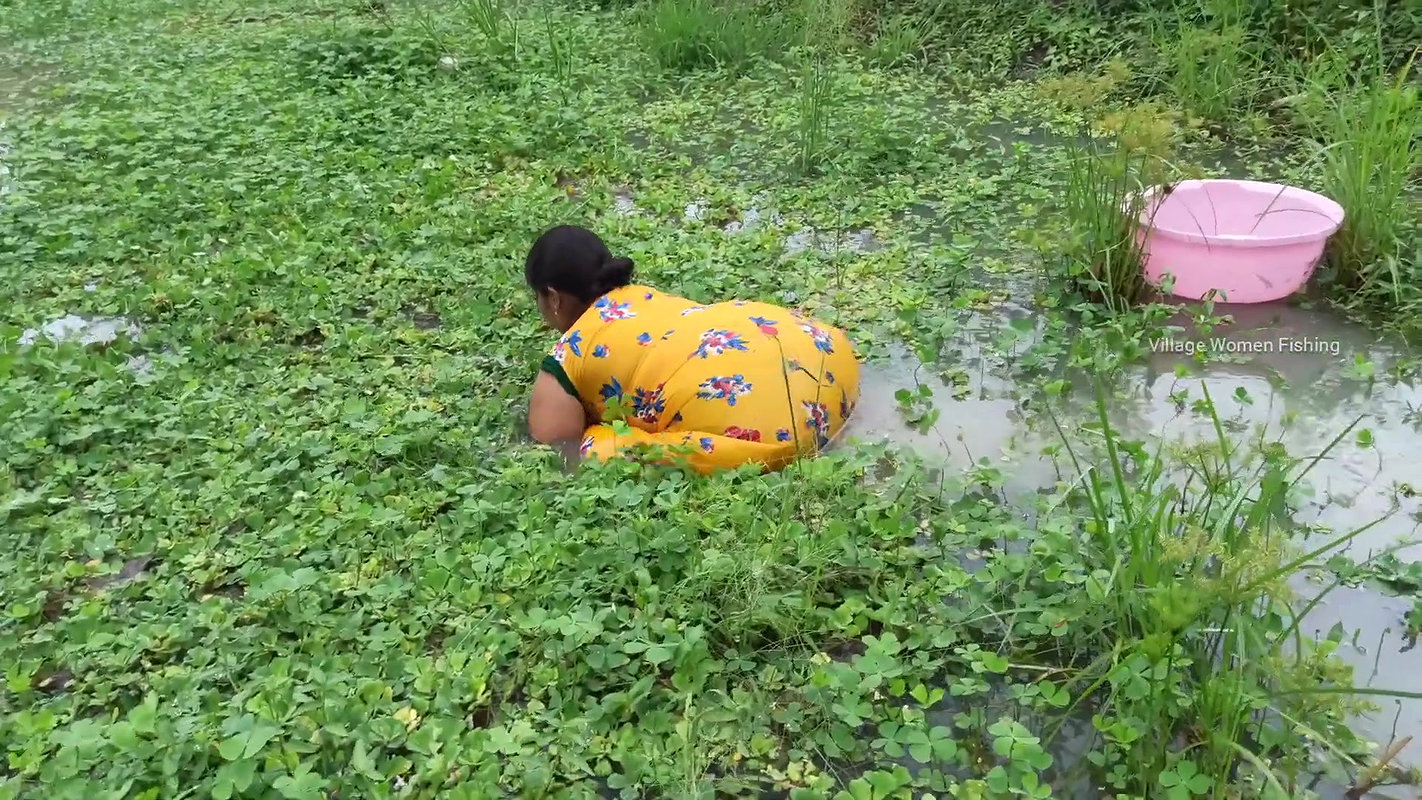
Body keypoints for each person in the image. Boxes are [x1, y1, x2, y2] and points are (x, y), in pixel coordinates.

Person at [524, 224, 861, 474]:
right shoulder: (645, 297)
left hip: (774, 432)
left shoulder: (569, 352)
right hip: (825, 362)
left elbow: (556, 450)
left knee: (596, 447)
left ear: (553, 298)